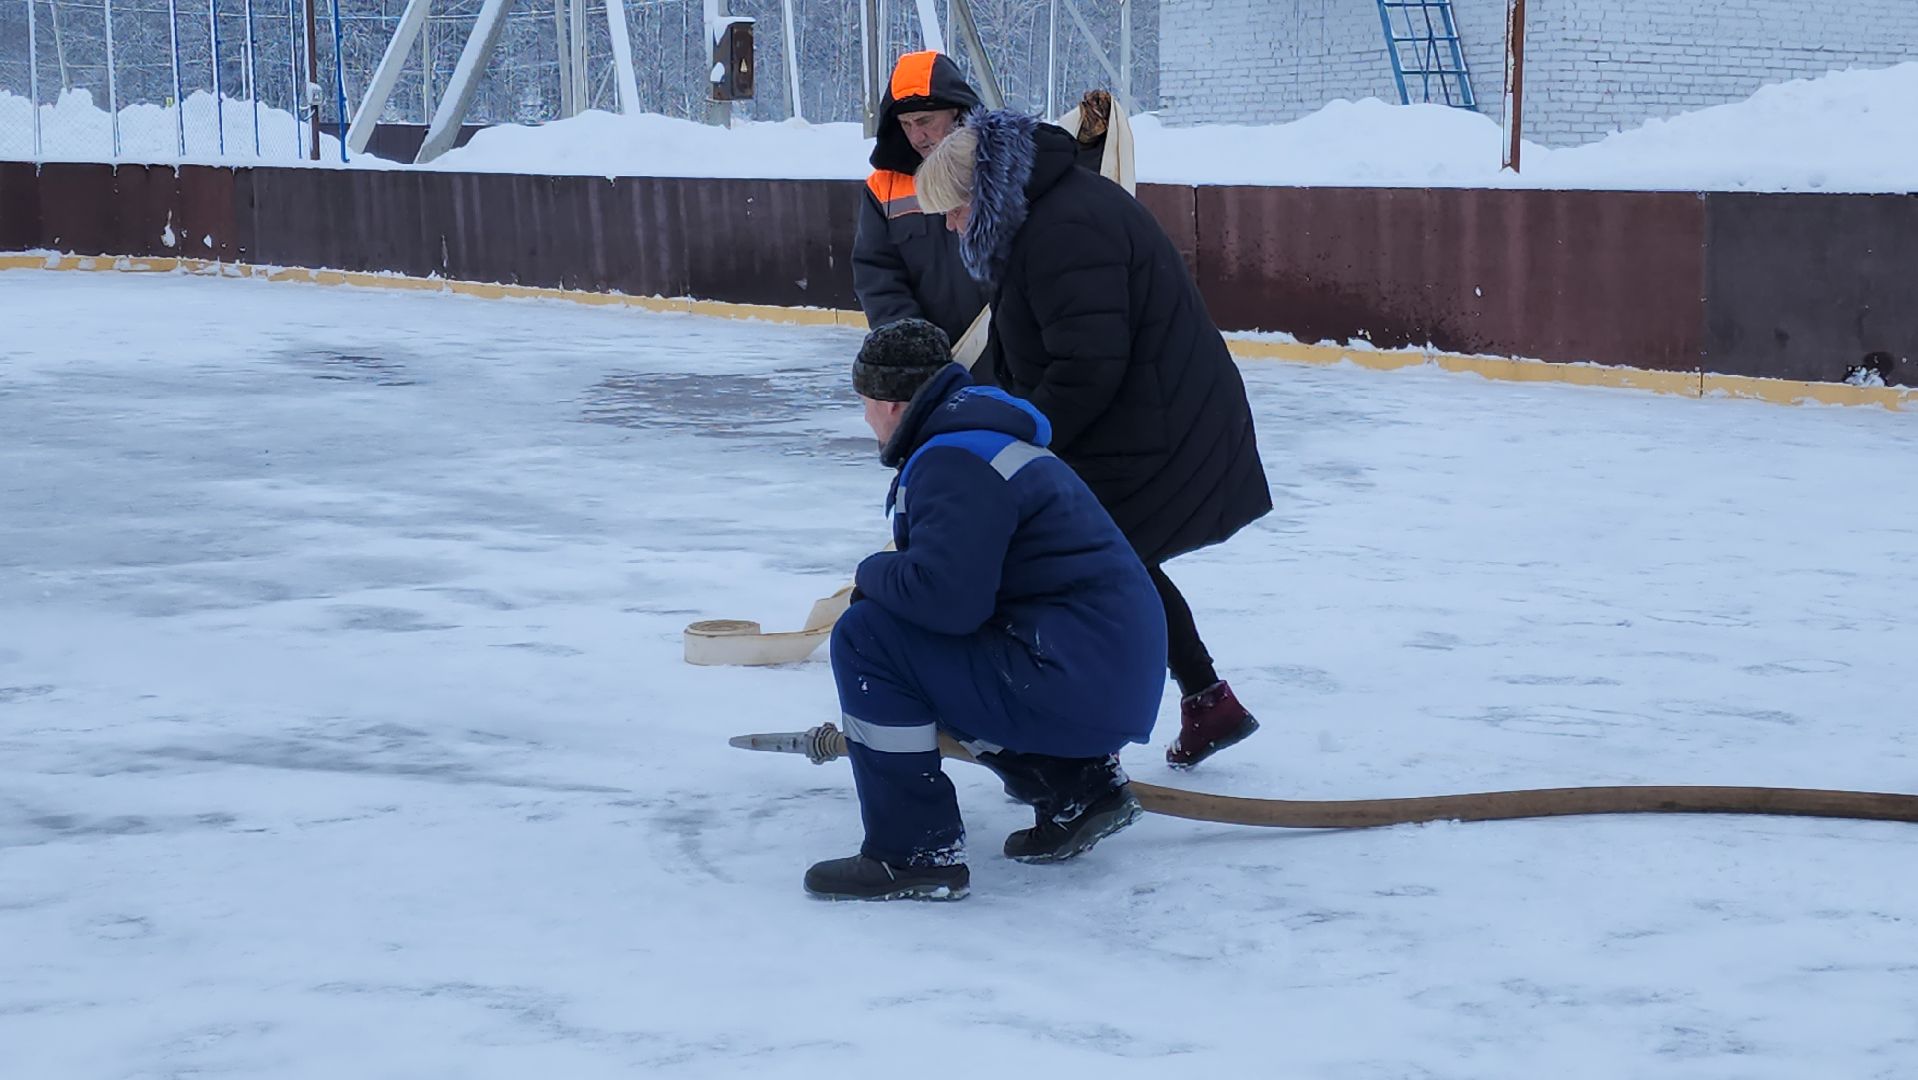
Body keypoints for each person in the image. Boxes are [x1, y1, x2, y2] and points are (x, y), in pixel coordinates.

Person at [913, 109, 1274, 770]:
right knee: (1116, 556)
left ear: (985, 193)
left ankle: (1077, 749)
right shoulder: (1039, 218)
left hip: (1160, 425)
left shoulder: (1063, 230)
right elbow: (1025, 344)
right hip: (1144, 414)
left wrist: (1013, 443)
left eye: (953, 209)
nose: (949, 225)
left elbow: (1085, 367)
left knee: (1067, 561)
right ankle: (1206, 699)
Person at [804, 319, 1168, 902]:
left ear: (894, 403)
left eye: (867, 404)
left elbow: (947, 601)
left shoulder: (954, 461)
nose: (866, 419)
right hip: (1095, 670)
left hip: (1075, 675)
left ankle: (914, 852)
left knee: (868, 636)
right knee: (919, 637)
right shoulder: (980, 442)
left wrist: (872, 572)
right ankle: (1077, 785)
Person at [852, 51, 991, 346]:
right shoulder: (883, 188)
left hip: (1011, 358)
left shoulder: (999, 170)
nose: (917, 136)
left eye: (925, 120)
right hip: (932, 363)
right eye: (906, 124)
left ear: (957, 111)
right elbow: (878, 276)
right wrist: (915, 346)